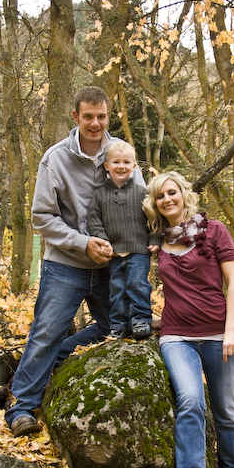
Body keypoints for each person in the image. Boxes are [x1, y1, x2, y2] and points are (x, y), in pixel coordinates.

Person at [5, 86, 146, 438]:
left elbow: (142, 205)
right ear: (76, 117)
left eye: (102, 116)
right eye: (88, 117)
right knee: (45, 333)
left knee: (120, 328)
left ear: (108, 116)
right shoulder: (55, 159)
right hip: (65, 265)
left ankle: (55, 359)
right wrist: (83, 243)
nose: (95, 123)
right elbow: (41, 217)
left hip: (113, 266)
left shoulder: (122, 154)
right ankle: (22, 407)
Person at [142, 171, 234, 468]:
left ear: (183, 194)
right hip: (176, 336)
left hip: (218, 335)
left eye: (172, 192)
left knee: (226, 411)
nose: (167, 199)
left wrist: (231, 330)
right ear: (155, 203)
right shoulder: (157, 242)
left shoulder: (214, 231)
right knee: (191, 402)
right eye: (160, 196)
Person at [87, 140, 160, 340]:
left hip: (139, 250)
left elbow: (154, 218)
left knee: (138, 285)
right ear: (106, 166)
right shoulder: (99, 195)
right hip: (114, 252)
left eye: (126, 162)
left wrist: (155, 238)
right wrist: (103, 242)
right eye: (116, 162)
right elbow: (94, 221)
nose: (121, 166)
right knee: (116, 289)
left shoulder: (142, 193)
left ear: (134, 166)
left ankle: (141, 320)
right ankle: (118, 324)